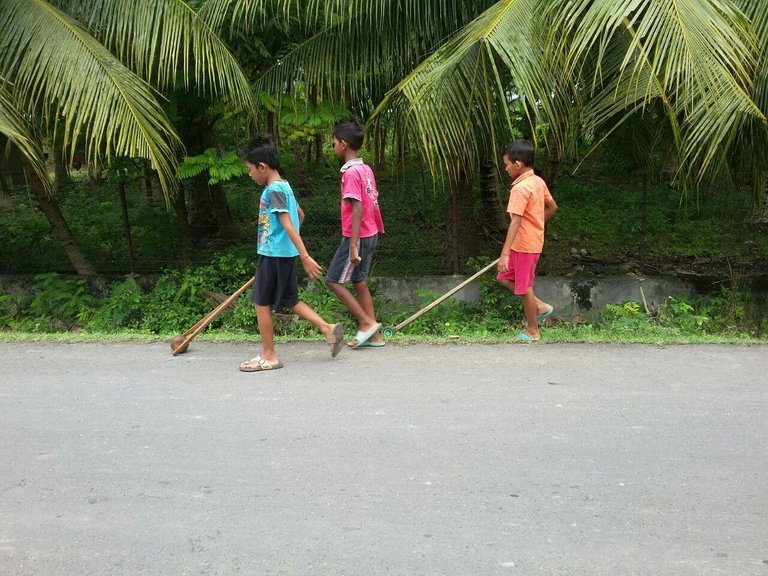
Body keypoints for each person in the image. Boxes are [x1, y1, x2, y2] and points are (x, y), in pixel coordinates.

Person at [238, 134, 345, 372]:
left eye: (250, 169)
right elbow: (300, 215)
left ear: (262, 167)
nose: (249, 174)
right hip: (281, 254)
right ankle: (328, 329)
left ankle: (269, 356)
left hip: (274, 255)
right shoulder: (284, 186)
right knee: (289, 300)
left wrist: (304, 255)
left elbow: (288, 223)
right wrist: (291, 247)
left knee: (261, 303)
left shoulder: (273, 191)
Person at [326, 118, 386, 348]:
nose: (333, 148)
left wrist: (352, 245)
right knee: (359, 280)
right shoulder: (365, 169)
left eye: (333, 144)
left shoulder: (350, 173)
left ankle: (366, 323)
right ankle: (375, 336)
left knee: (333, 280)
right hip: (370, 233)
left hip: (357, 237)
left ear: (343, 144)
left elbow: (358, 207)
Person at [496, 139, 558, 342]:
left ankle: (533, 330)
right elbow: (552, 207)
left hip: (524, 247)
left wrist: (504, 253)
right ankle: (540, 306)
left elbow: (515, 221)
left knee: (523, 287)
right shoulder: (537, 182)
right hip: (525, 243)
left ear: (518, 164)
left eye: (506, 165)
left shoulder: (520, 189)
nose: (505, 169)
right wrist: (537, 224)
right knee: (504, 277)